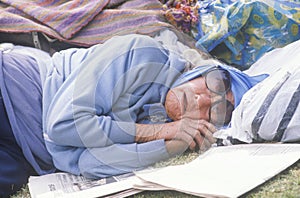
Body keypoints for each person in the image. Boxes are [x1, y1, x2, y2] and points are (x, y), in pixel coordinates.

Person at [0, 34, 266, 196]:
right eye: (216, 83)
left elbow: (88, 165)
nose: (202, 99)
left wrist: (170, 145)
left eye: (217, 110)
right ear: (201, 70)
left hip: (27, 153)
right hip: (12, 90)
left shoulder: (169, 125)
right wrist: (161, 133)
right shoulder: (141, 53)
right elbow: (64, 124)